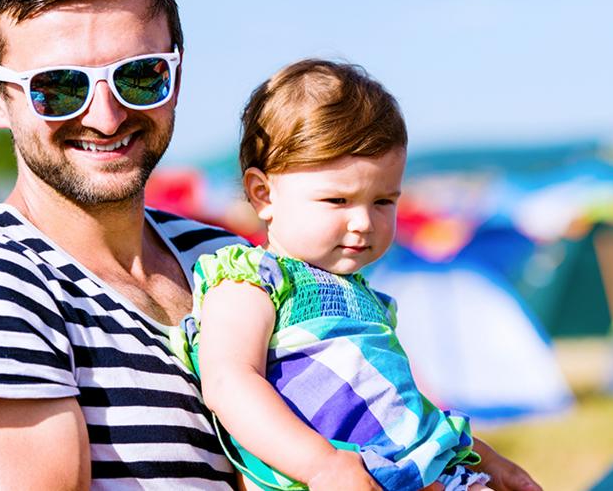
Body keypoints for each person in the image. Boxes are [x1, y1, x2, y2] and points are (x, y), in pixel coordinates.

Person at [0, 0, 542, 490]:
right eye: (60, 88)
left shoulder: (220, 254)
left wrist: (469, 459)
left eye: (140, 75)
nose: (107, 115)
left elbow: (353, 397)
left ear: (177, 66)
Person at [181, 59, 493, 491]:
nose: (364, 221)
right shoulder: (251, 279)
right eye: (337, 200)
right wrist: (322, 465)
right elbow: (229, 380)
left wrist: (485, 457)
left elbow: (394, 403)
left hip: (413, 472)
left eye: (384, 201)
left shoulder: (365, 297)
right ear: (263, 193)